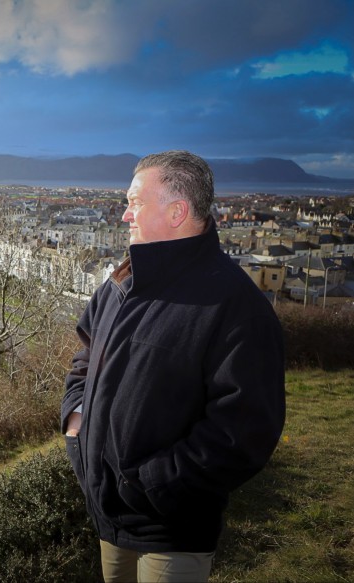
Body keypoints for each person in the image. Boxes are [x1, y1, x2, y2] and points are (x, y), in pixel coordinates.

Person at [61, 150, 285, 582]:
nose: (125, 215)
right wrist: (77, 418)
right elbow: (86, 354)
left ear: (177, 211)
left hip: (174, 529)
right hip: (107, 515)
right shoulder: (121, 282)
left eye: (135, 202)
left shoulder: (235, 305)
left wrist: (154, 483)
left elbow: (245, 429)